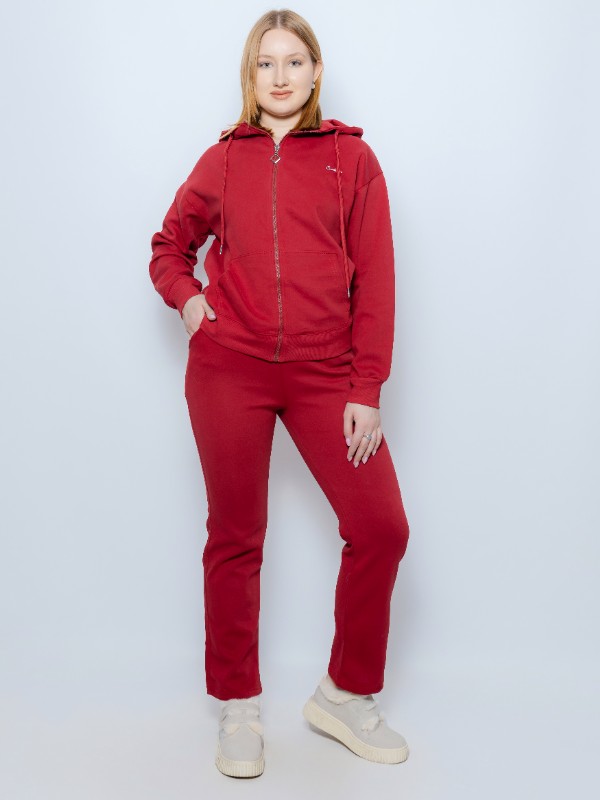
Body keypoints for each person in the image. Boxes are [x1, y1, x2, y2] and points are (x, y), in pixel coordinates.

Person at [149, 8, 411, 779]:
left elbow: (378, 279)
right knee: (236, 537)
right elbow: (169, 247)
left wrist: (366, 385)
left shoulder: (352, 160)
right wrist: (190, 302)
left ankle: (345, 695)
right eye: (266, 63)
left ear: (316, 71)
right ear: (250, 75)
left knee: (381, 527)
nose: (281, 75)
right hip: (228, 369)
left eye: (294, 61)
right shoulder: (221, 160)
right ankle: (238, 706)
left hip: (328, 375)